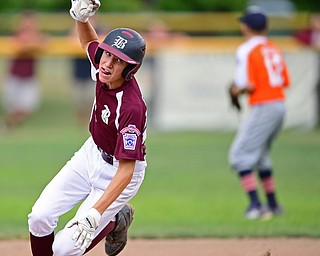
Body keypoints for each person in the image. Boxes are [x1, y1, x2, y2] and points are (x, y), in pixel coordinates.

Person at [28, 0, 148, 255]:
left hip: (118, 173)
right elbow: (87, 43)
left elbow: (127, 170)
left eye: (118, 61)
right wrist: (81, 19)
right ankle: (116, 215)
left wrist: (97, 212)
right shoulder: (103, 67)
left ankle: (115, 219)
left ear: (130, 69)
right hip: (90, 154)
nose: (107, 63)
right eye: (107, 54)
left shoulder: (131, 107)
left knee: (63, 250)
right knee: (39, 218)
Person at [228, 6, 290, 220]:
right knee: (261, 156)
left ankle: (255, 205)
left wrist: (236, 91)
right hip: (279, 104)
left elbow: (246, 84)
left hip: (263, 105)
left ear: (247, 27)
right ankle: (273, 205)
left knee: (239, 155)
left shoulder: (247, 49)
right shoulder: (273, 47)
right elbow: (283, 80)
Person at [1, 10, 46, 130]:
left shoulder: (38, 35)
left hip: (29, 77)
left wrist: (33, 43)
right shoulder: (16, 34)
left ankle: (7, 125)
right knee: (14, 106)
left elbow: (44, 44)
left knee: (28, 106)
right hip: (15, 76)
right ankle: (9, 126)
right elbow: (19, 46)